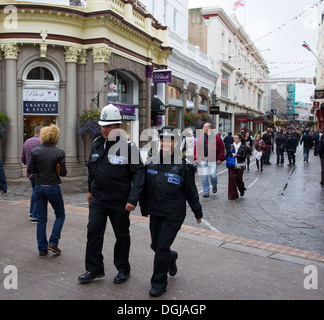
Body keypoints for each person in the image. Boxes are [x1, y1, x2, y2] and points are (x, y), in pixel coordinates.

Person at [78, 104, 145, 285]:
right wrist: (90, 190)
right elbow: (92, 169)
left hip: (120, 201)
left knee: (121, 236)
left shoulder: (129, 147)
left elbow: (139, 173)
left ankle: (123, 269)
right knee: (93, 232)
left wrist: (133, 199)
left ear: (118, 127)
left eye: (108, 126)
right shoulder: (97, 143)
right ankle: (94, 269)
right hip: (98, 199)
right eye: (103, 126)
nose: (105, 130)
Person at [140, 126, 203, 297]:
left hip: (174, 213)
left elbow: (191, 191)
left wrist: (197, 211)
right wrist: (144, 207)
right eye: (162, 139)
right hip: (156, 211)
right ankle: (171, 256)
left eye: (169, 140)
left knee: (161, 247)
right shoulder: (151, 161)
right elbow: (144, 188)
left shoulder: (184, 166)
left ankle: (159, 283)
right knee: (156, 245)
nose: (165, 143)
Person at [27, 124, 67, 257]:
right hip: (53, 185)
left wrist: (40, 170)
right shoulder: (59, 152)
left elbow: (30, 171)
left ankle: (42, 249)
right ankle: (53, 242)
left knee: (41, 219)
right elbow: (63, 173)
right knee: (60, 214)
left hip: (39, 186)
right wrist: (56, 168)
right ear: (55, 137)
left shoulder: (35, 151)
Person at [196, 123, 225, 197]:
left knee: (213, 176)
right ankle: (206, 191)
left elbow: (221, 148)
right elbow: (197, 148)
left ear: (209, 128)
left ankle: (214, 185)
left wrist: (220, 158)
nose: (203, 128)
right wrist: (196, 158)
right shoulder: (201, 138)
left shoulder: (217, 138)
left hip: (213, 160)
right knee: (204, 176)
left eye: (204, 127)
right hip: (204, 160)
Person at [21, 126, 43, 223]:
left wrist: (28, 165)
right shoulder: (42, 143)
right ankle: (35, 215)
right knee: (38, 193)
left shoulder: (26, 142)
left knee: (34, 191)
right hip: (40, 172)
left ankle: (31, 211)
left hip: (30, 172)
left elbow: (23, 158)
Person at [223, 133, 247, 200]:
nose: (235, 139)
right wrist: (220, 159)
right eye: (234, 137)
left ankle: (242, 189)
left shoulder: (243, 147)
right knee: (231, 178)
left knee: (239, 179)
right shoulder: (231, 146)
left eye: (236, 137)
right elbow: (227, 154)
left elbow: (244, 157)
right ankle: (232, 194)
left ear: (240, 139)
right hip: (231, 164)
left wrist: (236, 155)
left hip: (240, 164)